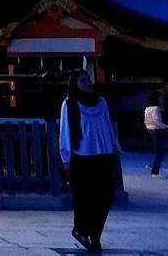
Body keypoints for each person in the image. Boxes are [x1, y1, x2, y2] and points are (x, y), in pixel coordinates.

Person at [59, 68, 121, 253]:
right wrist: (66, 157)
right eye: (83, 80)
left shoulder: (101, 102)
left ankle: (94, 233)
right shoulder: (69, 104)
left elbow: (107, 126)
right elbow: (66, 131)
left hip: (103, 154)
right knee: (86, 197)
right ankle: (85, 232)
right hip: (81, 155)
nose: (88, 83)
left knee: (106, 197)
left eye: (88, 79)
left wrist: (115, 149)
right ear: (75, 84)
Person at [144, 91, 168, 178]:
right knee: (160, 151)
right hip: (156, 130)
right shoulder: (156, 108)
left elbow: (146, 120)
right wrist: (166, 127)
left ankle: (153, 166)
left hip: (149, 129)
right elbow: (157, 121)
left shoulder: (147, 108)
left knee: (158, 150)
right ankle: (155, 171)